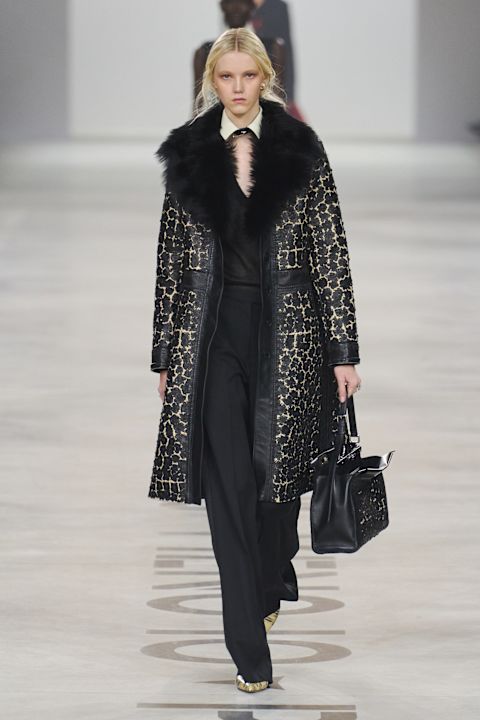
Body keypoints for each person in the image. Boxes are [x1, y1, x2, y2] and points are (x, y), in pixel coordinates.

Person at [149, 28, 362, 693]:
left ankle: (273, 573)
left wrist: (343, 349)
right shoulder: (189, 152)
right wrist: (165, 352)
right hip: (211, 338)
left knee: (277, 488)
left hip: (288, 332)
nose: (237, 88)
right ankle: (249, 648)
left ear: (265, 77)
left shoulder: (301, 148)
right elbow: (170, 259)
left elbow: (331, 249)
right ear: (211, 81)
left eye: (248, 76)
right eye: (226, 77)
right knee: (230, 491)